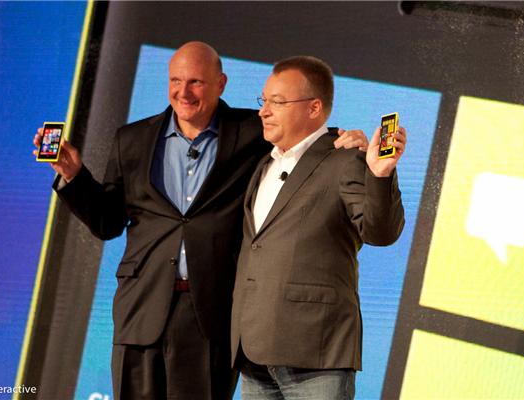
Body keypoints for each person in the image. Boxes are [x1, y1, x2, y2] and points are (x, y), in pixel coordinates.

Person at [33, 42, 368, 399]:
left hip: (212, 314)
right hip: (141, 309)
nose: (184, 92)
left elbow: (300, 133)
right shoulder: (132, 139)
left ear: (221, 83)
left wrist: (345, 138)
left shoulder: (252, 132)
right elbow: (107, 221)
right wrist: (74, 176)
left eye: (196, 82)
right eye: (175, 81)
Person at [230, 56, 407, 400]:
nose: (263, 111)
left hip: (315, 355)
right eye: (263, 100)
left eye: (277, 102)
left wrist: (380, 174)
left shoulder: (346, 159)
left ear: (314, 108)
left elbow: (381, 233)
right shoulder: (264, 163)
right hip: (253, 353)